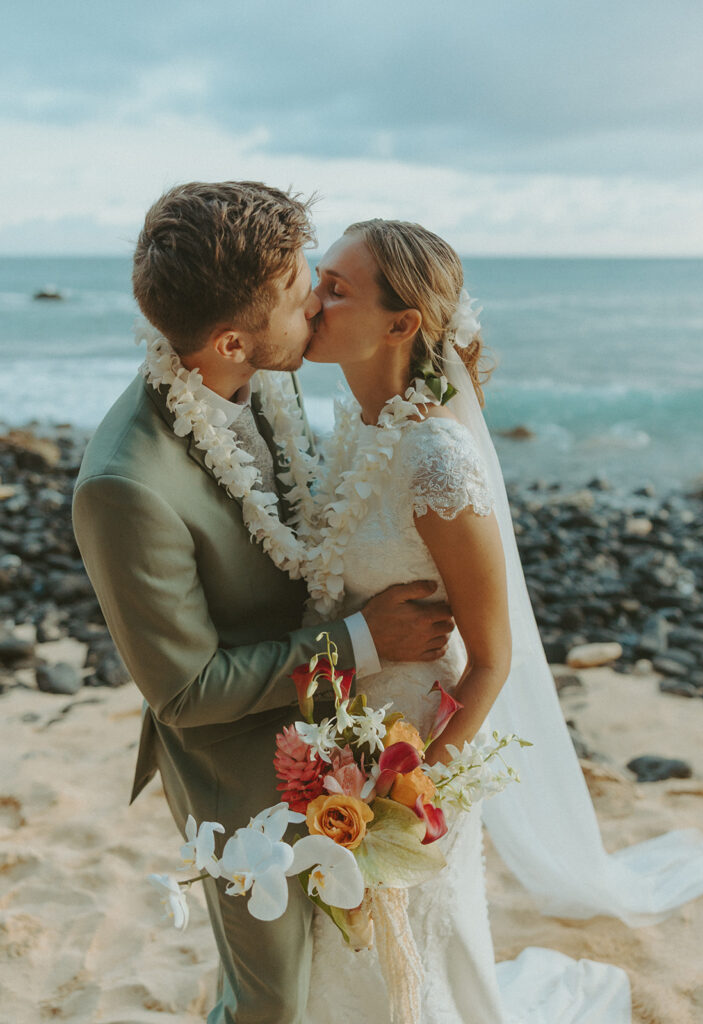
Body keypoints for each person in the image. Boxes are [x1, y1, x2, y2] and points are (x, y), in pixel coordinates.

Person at [296, 218, 703, 1023]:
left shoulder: (435, 457)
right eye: (316, 279)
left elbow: (492, 657)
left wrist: (415, 788)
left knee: (413, 946)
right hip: (340, 727)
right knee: (344, 948)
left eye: (335, 288)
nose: (310, 300)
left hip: (418, 740)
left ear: (399, 325)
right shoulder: (354, 425)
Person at [71, 184, 456, 1024]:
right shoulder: (124, 486)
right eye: (297, 291)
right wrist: (363, 638)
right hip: (239, 771)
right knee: (271, 1000)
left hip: (343, 729)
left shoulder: (264, 375)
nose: (317, 298)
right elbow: (185, 691)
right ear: (231, 340)